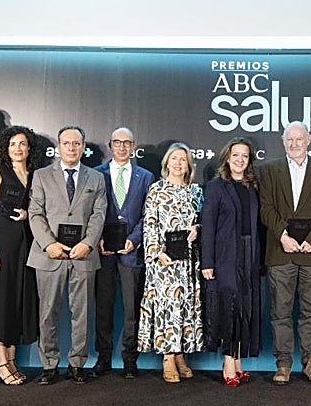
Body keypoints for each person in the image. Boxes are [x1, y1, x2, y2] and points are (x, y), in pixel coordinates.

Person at [27, 125, 106, 385]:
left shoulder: (96, 178)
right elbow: (35, 213)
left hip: (83, 255)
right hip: (49, 255)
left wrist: (89, 243)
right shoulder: (40, 175)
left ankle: (77, 364)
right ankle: (49, 364)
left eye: (76, 143)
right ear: (58, 147)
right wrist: (49, 244)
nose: (71, 148)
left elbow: (98, 214)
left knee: (81, 313)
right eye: (66, 143)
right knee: (47, 312)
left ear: (84, 147)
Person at [258, 121, 311, 385]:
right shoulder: (268, 171)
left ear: (309, 140)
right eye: (289, 140)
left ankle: (310, 362)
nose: (294, 144)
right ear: (283, 141)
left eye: (299, 139)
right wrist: (283, 236)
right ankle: (283, 363)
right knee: (280, 310)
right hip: (281, 252)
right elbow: (266, 208)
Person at [93, 127, 156, 378]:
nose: (121, 147)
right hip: (103, 251)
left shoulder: (145, 177)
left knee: (132, 309)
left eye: (126, 143)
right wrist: (97, 238)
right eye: (117, 142)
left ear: (133, 146)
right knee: (104, 308)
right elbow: (91, 212)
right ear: (110, 145)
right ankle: (104, 358)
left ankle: (130, 358)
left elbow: (148, 215)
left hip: (132, 252)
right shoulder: (97, 175)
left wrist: (134, 239)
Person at [137, 143, 203, 382]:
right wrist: (156, 253)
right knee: (168, 308)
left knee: (184, 307)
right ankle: (167, 357)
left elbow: (204, 221)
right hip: (164, 261)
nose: (178, 163)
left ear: (188, 165)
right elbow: (149, 225)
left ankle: (180, 354)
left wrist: (197, 229)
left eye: (182, 160)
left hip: (188, 262)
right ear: (166, 163)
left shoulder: (196, 192)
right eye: (174, 159)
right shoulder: (156, 190)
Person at [0, 125, 41, 385]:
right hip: (3, 244)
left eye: (22, 144)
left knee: (18, 302)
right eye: (13, 144)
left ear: (29, 148)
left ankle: (13, 360)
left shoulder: (35, 174)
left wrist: (28, 214)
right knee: (2, 301)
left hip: (27, 245)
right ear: (6, 148)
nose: (18, 148)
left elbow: (40, 209)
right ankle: (2, 363)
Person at [201, 137, 262, 386]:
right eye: (236, 155)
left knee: (246, 307)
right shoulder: (216, 186)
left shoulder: (252, 187)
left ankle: (238, 360)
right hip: (226, 255)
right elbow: (208, 225)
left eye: (244, 156)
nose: (240, 160)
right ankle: (227, 361)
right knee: (231, 306)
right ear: (227, 157)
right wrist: (208, 262)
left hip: (250, 253)